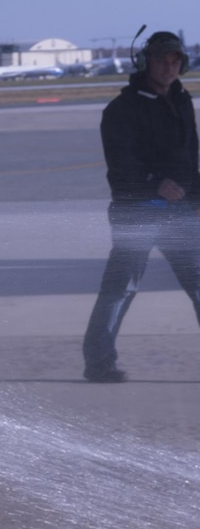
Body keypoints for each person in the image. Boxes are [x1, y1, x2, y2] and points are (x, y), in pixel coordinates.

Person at [82, 30, 200, 382]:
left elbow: (190, 156)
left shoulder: (181, 100)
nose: (169, 67)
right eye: (162, 60)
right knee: (121, 287)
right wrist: (154, 183)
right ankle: (99, 362)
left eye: (175, 61)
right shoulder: (122, 109)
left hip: (179, 212)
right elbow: (121, 165)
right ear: (145, 62)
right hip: (137, 212)